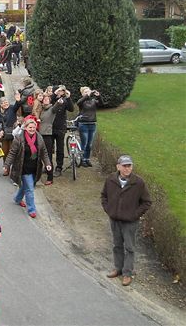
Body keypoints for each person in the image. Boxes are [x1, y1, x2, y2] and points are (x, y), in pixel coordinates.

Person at [101, 155, 152, 287]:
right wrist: (109, 210)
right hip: (115, 220)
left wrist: (134, 215)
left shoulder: (139, 183)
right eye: (124, 166)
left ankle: (127, 273)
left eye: (129, 166)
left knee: (129, 248)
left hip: (130, 222)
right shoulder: (111, 179)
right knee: (117, 245)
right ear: (118, 167)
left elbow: (147, 202)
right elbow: (104, 196)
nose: (127, 168)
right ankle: (118, 268)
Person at [3, 118, 52, 219]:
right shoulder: (19, 138)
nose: (32, 129)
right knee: (30, 188)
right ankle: (32, 210)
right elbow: (12, 153)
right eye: (30, 127)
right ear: (25, 128)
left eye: (34, 128)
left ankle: (17, 199)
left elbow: (44, 152)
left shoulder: (39, 138)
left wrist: (47, 163)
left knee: (26, 185)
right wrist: (6, 165)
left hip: (35, 167)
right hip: (23, 167)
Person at [38, 94, 62, 185]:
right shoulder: (41, 109)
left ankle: (50, 177)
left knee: (47, 157)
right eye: (44, 99)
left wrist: (59, 102)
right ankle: (38, 175)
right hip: (39, 135)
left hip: (47, 135)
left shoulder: (51, 109)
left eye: (47, 99)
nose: (46, 100)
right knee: (38, 156)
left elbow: (56, 106)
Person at [50, 85, 74, 177]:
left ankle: (59, 167)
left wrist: (68, 97)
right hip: (50, 127)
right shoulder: (52, 99)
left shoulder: (65, 100)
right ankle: (49, 166)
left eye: (62, 91)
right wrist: (54, 94)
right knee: (49, 148)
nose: (61, 92)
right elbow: (48, 103)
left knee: (60, 149)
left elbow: (71, 109)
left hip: (60, 127)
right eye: (59, 91)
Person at [77, 86, 103, 167]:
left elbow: (101, 104)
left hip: (92, 124)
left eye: (88, 91)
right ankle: (82, 159)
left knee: (89, 144)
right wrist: (87, 95)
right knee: (84, 143)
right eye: (85, 92)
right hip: (83, 124)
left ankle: (87, 159)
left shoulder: (93, 100)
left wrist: (98, 96)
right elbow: (78, 103)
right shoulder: (82, 101)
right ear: (82, 94)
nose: (88, 93)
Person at [0, 94, 22, 160]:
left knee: (13, 151)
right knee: (5, 152)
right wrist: (0, 131)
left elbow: (17, 105)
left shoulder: (12, 108)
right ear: (0, 104)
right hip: (5, 134)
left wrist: (18, 101)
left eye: (6, 102)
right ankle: (6, 167)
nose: (5, 104)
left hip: (14, 132)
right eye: (3, 103)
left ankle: (14, 167)